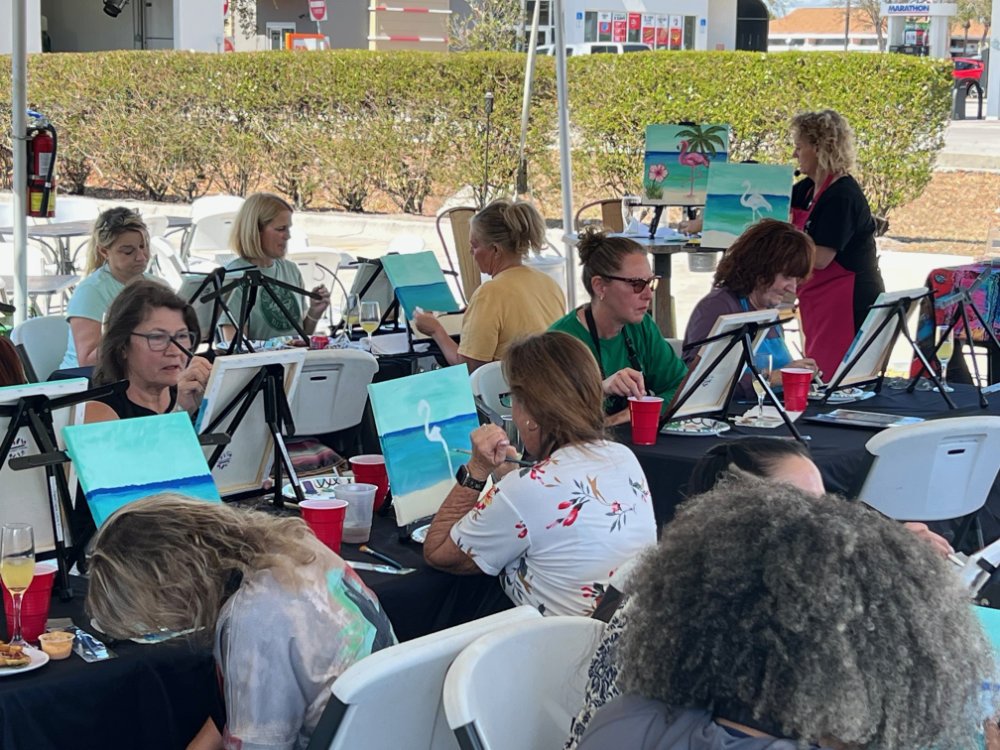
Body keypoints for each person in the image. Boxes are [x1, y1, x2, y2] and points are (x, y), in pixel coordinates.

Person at [566, 436, 953, 750]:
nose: (828, 524)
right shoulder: (678, 619)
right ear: (741, 521)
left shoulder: (734, 597)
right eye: (800, 510)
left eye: (825, 505)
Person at [86, 493, 395, 750]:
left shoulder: (253, 617)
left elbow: (259, 744)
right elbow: (235, 713)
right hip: (396, 727)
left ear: (167, 585)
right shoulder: (294, 546)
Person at [423, 331, 656, 616]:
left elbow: (437, 552)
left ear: (530, 413)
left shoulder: (525, 489)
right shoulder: (623, 457)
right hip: (632, 640)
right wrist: (511, 476)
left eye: (513, 399)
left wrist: (477, 469)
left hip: (565, 652)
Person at [550, 230, 687, 425]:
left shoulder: (642, 327)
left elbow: (681, 387)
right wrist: (600, 389)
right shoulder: (561, 341)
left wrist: (629, 415)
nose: (649, 294)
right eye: (637, 284)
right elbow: (549, 416)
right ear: (599, 286)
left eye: (651, 282)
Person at [413, 200, 565, 372]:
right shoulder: (549, 284)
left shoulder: (490, 293)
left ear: (495, 250)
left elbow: (469, 367)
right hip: (550, 385)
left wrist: (436, 330)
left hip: (510, 393)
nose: (471, 252)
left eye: (475, 245)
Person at [790, 110, 884, 378]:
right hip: (817, 298)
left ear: (818, 148)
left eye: (799, 147)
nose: (795, 155)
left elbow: (820, 258)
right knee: (817, 368)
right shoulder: (806, 188)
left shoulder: (842, 195)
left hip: (848, 300)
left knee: (838, 377)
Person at [683, 220, 818, 397]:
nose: (792, 288)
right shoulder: (718, 307)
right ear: (760, 268)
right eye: (786, 277)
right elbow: (702, 380)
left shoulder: (770, 312)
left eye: (796, 280)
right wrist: (775, 377)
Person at [86, 278, 212, 421]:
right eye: (157, 337)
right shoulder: (99, 411)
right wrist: (180, 411)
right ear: (122, 346)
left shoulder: (191, 393)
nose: (175, 351)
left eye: (182, 335)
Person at [221, 193, 330, 342]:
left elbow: (299, 335)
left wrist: (313, 313)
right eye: (280, 229)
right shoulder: (234, 277)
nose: (287, 236)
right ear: (255, 230)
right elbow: (234, 349)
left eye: (288, 229)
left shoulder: (291, 270)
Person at [60, 206, 153, 369]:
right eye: (128, 251)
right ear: (104, 251)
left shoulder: (156, 285)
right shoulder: (91, 291)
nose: (141, 256)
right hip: (89, 383)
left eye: (143, 246)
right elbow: (87, 361)